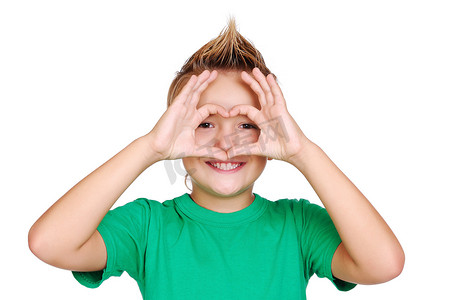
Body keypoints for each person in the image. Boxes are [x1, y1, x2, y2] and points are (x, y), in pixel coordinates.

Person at [28, 19, 404, 299]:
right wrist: (149, 149)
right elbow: (50, 244)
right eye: (205, 123)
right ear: (177, 135)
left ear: (272, 136)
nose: (226, 142)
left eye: (246, 124)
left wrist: (303, 153)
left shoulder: (297, 224)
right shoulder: (149, 226)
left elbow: (383, 265)